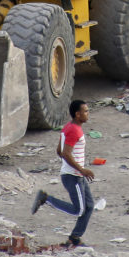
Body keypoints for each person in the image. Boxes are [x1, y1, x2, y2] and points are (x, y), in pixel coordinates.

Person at [31, 100, 95, 248]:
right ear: (77, 114)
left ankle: (74, 238)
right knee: (78, 209)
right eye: (85, 111)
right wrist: (81, 170)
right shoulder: (75, 130)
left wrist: (72, 165)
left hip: (74, 174)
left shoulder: (68, 127)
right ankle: (46, 199)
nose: (88, 114)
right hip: (74, 176)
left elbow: (59, 151)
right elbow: (65, 153)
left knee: (90, 205)